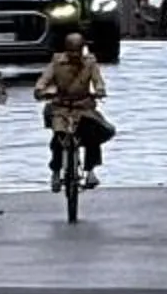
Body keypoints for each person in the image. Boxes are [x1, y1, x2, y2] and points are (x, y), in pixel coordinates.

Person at [33, 30, 110, 190]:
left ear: (83, 49)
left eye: (78, 50)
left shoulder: (90, 63)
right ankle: (55, 172)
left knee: (92, 135)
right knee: (58, 138)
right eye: (71, 50)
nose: (74, 54)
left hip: (83, 107)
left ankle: (90, 171)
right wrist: (41, 90)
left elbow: (98, 81)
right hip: (61, 107)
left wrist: (100, 90)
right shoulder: (56, 62)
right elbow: (44, 80)